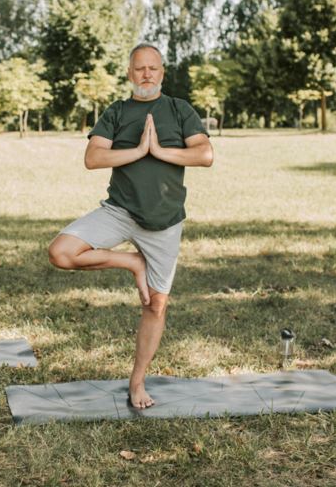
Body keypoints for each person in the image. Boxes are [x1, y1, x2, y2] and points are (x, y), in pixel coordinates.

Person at [48, 43, 213, 409]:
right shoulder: (118, 111)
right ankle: (132, 262)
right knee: (60, 251)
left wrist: (159, 151)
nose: (147, 74)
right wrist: (137, 151)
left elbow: (204, 154)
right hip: (120, 211)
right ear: (129, 73)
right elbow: (93, 157)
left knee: (155, 306)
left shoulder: (178, 109)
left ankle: (137, 382)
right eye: (140, 69)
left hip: (164, 222)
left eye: (153, 68)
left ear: (162, 73)